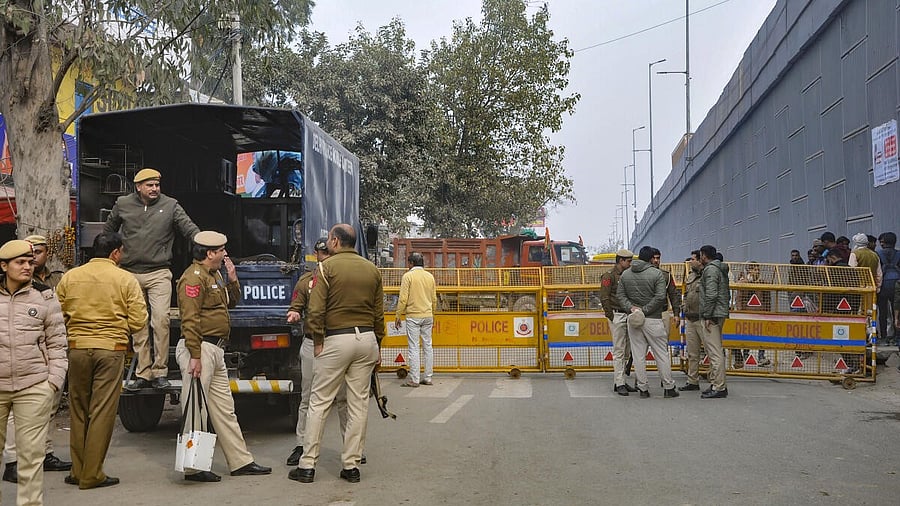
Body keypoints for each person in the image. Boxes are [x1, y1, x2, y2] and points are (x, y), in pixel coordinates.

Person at [175, 231, 271, 483]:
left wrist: (232, 279)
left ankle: (241, 461)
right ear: (209, 253)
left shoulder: (214, 275)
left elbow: (230, 303)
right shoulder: (192, 278)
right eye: (221, 251)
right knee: (196, 409)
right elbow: (190, 320)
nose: (224, 254)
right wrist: (194, 355)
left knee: (225, 410)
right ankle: (194, 467)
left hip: (216, 349)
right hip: (201, 349)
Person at [290, 224, 383, 484]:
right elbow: (378, 314)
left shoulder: (325, 269)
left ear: (334, 241)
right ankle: (351, 465)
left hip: (336, 339)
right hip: (366, 340)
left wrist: (317, 340)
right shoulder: (372, 270)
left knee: (319, 402)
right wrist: (379, 346)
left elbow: (317, 309)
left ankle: (307, 465)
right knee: (358, 404)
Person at [56, 232, 147, 489]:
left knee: (78, 410)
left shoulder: (70, 277)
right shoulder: (125, 279)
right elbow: (139, 320)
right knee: (102, 412)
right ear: (116, 252)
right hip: (111, 348)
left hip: (76, 348)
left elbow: (56, 314)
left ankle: (77, 470)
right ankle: (92, 474)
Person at [104, 168, 200, 392]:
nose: (155, 189)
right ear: (138, 186)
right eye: (150, 185)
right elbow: (108, 232)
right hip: (129, 273)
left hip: (159, 272)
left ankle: (160, 372)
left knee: (160, 321)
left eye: (157, 184)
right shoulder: (122, 204)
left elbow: (189, 229)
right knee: (138, 324)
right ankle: (143, 373)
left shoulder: (171, 205)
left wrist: (205, 243)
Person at [0, 240, 68, 505]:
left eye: (30, 261)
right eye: (20, 262)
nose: (27, 267)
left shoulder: (44, 295)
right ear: (4, 266)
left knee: (31, 458)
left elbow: (57, 341)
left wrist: (52, 382)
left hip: (34, 386)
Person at [284, 238, 351, 467]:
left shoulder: (344, 279)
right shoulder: (307, 281)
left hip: (338, 342)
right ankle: (302, 445)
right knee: (308, 397)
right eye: (322, 253)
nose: (325, 257)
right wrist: (294, 313)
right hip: (313, 343)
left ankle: (351, 447)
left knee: (343, 399)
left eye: (328, 253)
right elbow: (296, 304)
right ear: (316, 254)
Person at [615, 246, 679, 399]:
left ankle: (643, 388)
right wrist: (645, 310)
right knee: (661, 354)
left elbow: (620, 295)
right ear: (651, 259)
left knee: (638, 355)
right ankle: (668, 387)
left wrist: (632, 309)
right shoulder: (656, 274)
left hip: (634, 319)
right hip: (653, 319)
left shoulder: (626, 274)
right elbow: (660, 297)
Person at [394, 252, 438, 388]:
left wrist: (398, 315)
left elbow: (403, 298)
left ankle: (415, 379)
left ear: (411, 263)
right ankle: (428, 377)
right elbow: (434, 299)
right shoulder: (430, 277)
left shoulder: (408, 277)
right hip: (428, 315)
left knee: (414, 347)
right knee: (428, 346)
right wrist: (433, 314)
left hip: (413, 316)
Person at [599, 249, 636, 395]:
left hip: (627, 314)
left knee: (626, 350)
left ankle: (620, 381)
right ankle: (619, 382)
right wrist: (610, 315)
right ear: (621, 261)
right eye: (628, 261)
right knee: (619, 350)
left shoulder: (629, 275)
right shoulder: (609, 276)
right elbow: (604, 296)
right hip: (617, 314)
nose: (630, 263)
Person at [699, 244, 729, 398]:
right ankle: (717, 383)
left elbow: (711, 294)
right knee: (716, 350)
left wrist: (708, 315)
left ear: (704, 255)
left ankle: (719, 387)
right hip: (720, 312)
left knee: (715, 352)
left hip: (713, 314)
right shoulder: (720, 269)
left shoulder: (710, 270)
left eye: (701, 255)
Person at [734, 262, 771, 367]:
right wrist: (740, 312)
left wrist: (768, 313)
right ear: (749, 270)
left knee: (762, 336)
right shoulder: (743, 283)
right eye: (755, 269)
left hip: (760, 313)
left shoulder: (763, 283)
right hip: (747, 313)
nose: (757, 271)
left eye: (758, 269)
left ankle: (761, 357)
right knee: (747, 335)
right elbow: (739, 298)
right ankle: (746, 355)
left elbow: (767, 299)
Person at [679, 251, 704, 391]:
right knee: (692, 353)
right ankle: (693, 381)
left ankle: (715, 383)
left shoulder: (707, 276)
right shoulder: (691, 276)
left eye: (693, 259)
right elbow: (686, 294)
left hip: (703, 319)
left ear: (701, 260)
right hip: (690, 318)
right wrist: (684, 307)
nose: (691, 262)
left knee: (711, 352)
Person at [876, 232, 899, 346]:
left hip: (883, 285)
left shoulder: (878, 254)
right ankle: (896, 336)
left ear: (883, 242)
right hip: (897, 284)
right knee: (897, 311)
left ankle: (884, 337)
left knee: (883, 312)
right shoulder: (898, 254)